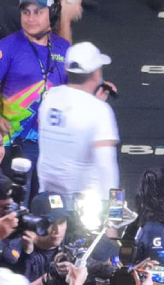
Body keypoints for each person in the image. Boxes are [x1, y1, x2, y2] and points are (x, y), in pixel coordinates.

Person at [0, 0, 69, 168]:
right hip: (17, 141)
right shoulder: (7, 47)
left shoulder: (64, 47)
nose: (30, 18)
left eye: (38, 12)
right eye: (26, 12)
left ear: (52, 13)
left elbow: (73, 86)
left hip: (55, 139)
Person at [36, 42, 118, 200]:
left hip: (49, 199)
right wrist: (114, 209)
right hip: (85, 204)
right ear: (96, 73)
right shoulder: (99, 110)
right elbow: (106, 166)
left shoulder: (49, 97)